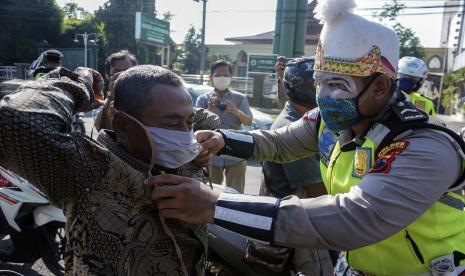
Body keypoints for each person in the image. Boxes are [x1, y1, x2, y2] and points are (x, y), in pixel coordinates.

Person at [147, 1, 465, 275]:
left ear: (380, 87)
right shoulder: (330, 121)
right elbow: (277, 142)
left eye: (338, 84)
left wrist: (218, 205)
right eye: (320, 82)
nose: (324, 96)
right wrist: (222, 139)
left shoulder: (425, 147)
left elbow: (355, 217)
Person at [0, 65, 219, 275]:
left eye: (189, 123)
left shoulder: (186, 156)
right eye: (172, 125)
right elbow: (15, 120)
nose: (184, 135)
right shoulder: (89, 171)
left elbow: (204, 118)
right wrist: (79, 82)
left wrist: (217, 138)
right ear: (123, 124)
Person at [260, 57, 333, 275]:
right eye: (319, 84)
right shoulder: (292, 126)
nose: (326, 91)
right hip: (302, 226)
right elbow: (318, 191)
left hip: (306, 218)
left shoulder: (310, 120)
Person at [195, 59, 253, 193]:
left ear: (231, 77)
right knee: (210, 194)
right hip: (211, 153)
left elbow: (248, 121)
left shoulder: (240, 98)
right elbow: (196, 126)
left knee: (237, 195)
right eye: (218, 75)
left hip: (236, 152)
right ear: (211, 77)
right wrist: (209, 111)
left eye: (226, 75)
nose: (222, 78)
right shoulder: (203, 99)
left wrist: (236, 112)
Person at [94, 50, 138, 131]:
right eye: (117, 72)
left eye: (128, 71)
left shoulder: (147, 100)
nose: (123, 76)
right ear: (108, 76)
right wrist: (113, 96)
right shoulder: (104, 103)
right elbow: (100, 128)